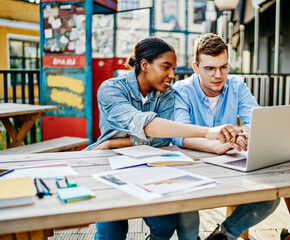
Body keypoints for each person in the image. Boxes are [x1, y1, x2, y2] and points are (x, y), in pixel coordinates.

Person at [85, 36, 243, 240]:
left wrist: (110, 143)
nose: (172, 75)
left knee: (165, 226)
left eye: (174, 68)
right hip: (110, 167)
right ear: (145, 65)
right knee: (111, 233)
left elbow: (161, 140)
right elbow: (146, 125)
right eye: (166, 67)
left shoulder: (166, 94)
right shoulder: (111, 89)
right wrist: (206, 132)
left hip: (148, 168)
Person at [171, 33, 280, 240]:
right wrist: (217, 144)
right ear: (195, 67)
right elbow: (179, 134)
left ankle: (223, 236)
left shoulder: (237, 86)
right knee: (186, 199)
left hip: (231, 165)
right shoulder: (181, 91)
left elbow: (257, 123)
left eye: (224, 67)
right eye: (209, 68)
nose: (218, 75)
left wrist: (240, 134)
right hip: (193, 168)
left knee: (271, 197)